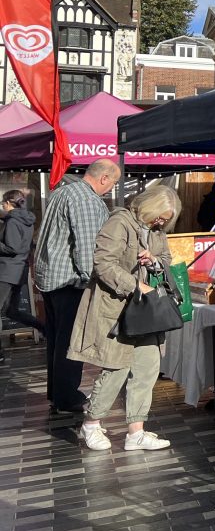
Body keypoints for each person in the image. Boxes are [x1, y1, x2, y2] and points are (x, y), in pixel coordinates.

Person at [70, 185, 181, 452]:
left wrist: (154, 261)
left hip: (147, 311)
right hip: (116, 309)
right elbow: (102, 264)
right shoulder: (119, 222)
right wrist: (135, 284)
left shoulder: (156, 231)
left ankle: (136, 432)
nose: (161, 223)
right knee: (115, 368)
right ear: (149, 206)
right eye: (160, 217)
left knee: (147, 368)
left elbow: (166, 259)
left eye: (166, 220)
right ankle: (91, 425)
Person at [34, 159, 121, 414]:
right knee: (71, 343)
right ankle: (67, 398)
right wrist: (96, 280)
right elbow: (87, 249)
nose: (111, 189)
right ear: (104, 178)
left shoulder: (63, 191)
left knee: (57, 341)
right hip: (70, 281)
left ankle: (58, 394)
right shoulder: (87, 200)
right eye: (113, 183)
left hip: (51, 278)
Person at [0, 190, 38, 362]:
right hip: (18, 271)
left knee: (10, 310)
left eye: (2, 203)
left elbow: (13, 247)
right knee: (11, 311)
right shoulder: (26, 220)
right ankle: (45, 328)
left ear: (8, 203)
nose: (2, 206)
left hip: (6, 272)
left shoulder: (13, 221)